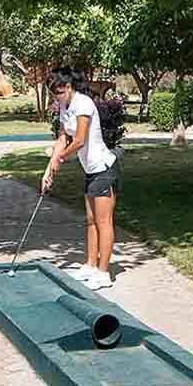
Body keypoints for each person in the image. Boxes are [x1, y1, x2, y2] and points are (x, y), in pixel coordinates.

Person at [41, 67, 123, 290]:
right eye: (53, 94)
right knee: (90, 220)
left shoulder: (83, 104)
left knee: (104, 222)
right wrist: (49, 170)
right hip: (90, 170)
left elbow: (78, 141)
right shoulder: (65, 106)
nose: (56, 97)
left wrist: (60, 159)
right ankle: (90, 265)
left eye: (59, 93)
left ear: (68, 87)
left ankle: (103, 273)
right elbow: (62, 139)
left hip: (104, 168)